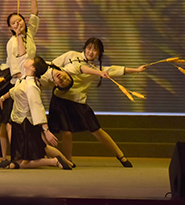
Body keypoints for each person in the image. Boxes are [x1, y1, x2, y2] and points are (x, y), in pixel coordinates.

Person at [47, 38, 147, 167]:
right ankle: (68, 160)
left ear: (99, 53)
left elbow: (115, 69)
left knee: (97, 130)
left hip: (78, 102)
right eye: (89, 48)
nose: (91, 52)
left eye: (95, 50)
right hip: (60, 100)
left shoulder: (97, 68)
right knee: (66, 132)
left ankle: (121, 156)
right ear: (84, 48)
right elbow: (53, 66)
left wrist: (136, 70)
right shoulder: (71, 55)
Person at [0, 56, 73, 170]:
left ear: (33, 68)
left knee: (23, 159)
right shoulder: (24, 80)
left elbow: (37, 107)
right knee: (22, 157)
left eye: (31, 61)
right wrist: (3, 97)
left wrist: (46, 130)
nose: (28, 60)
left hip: (25, 124)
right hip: (18, 121)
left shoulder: (31, 86)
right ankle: (59, 161)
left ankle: (54, 161)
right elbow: (15, 91)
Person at [0, 0, 39, 159]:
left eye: (19, 21)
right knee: (7, 120)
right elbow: (15, 67)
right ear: (10, 28)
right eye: (13, 23)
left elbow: (34, 13)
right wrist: (22, 83)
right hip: (16, 82)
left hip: (29, 79)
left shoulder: (30, 35)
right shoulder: (12, 42)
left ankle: (24, 153)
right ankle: (7, 155)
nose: (17, 24)